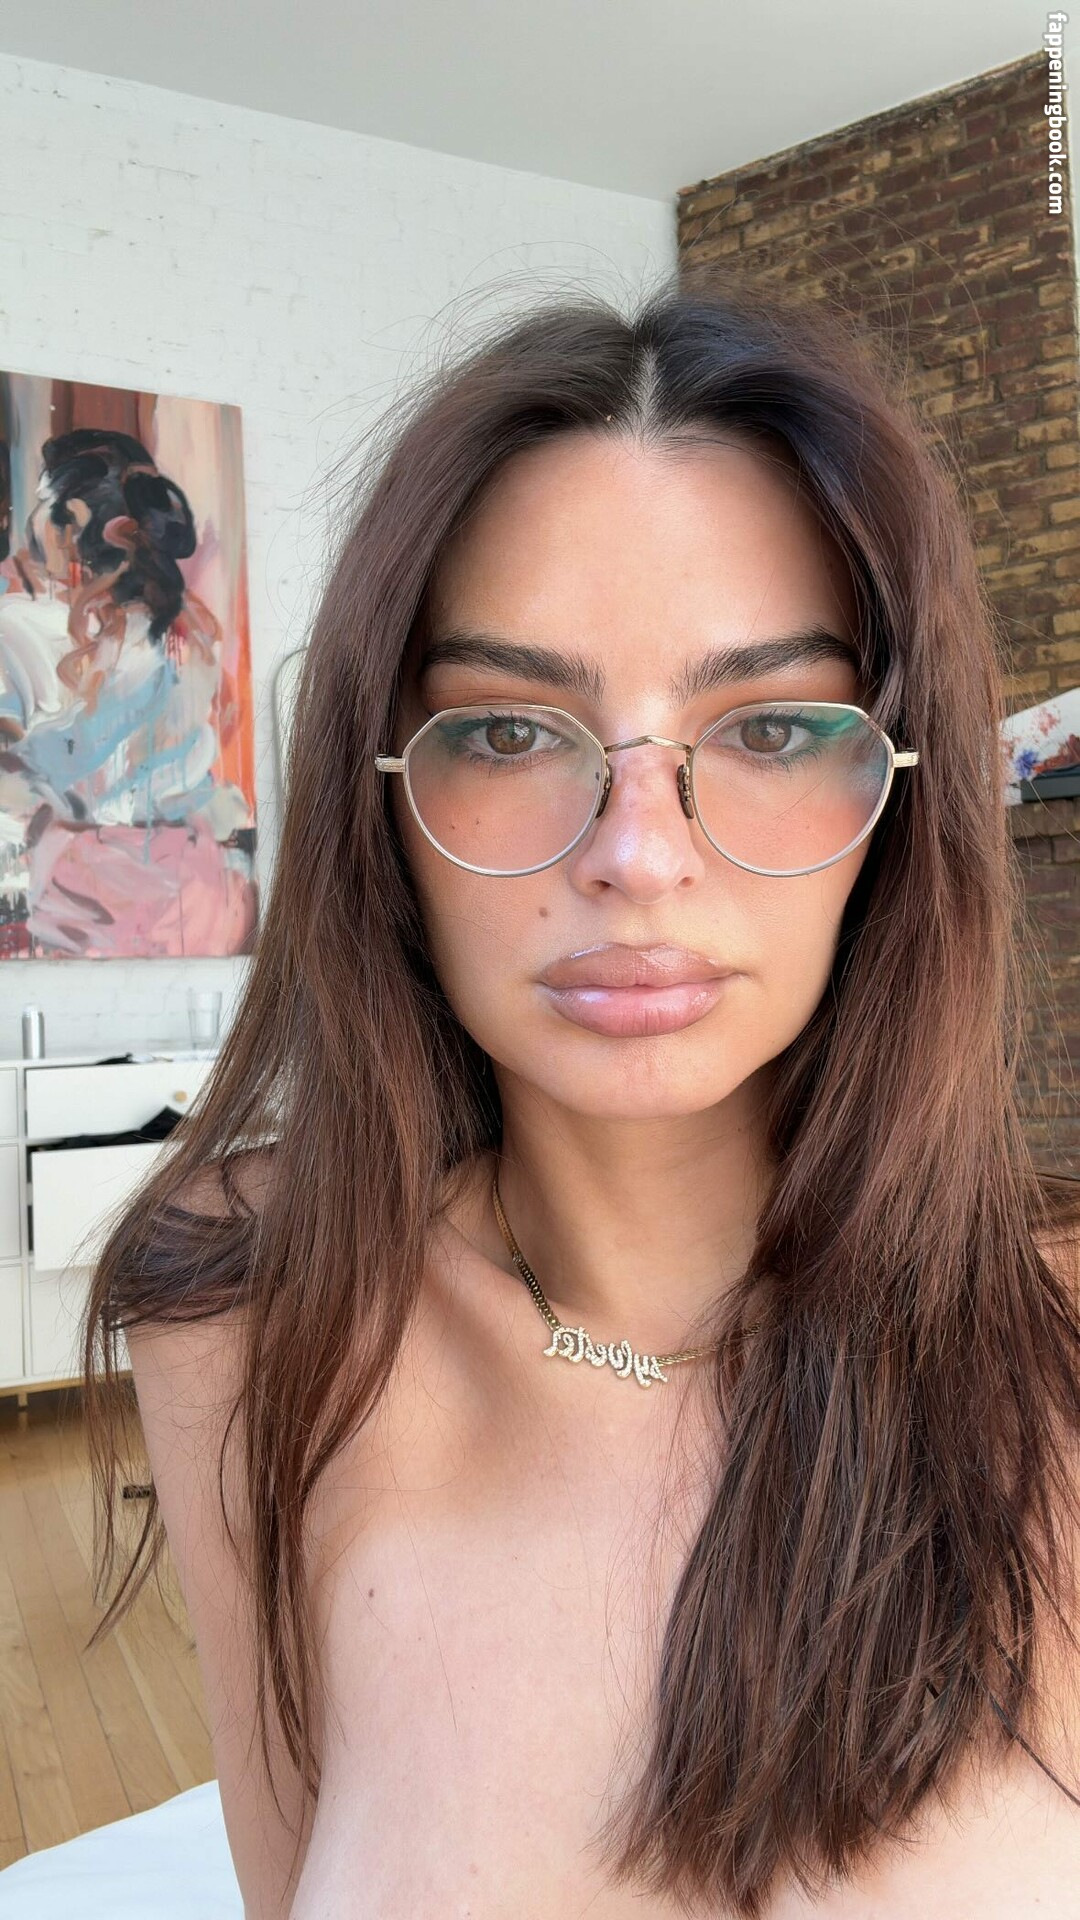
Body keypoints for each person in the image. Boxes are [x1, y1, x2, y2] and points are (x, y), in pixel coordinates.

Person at [82, 270, 1080, 1919]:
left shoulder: (1050, 1332)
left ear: (898, 797)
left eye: (770, 727)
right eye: (508, 733)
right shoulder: (248, 1307)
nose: (637, 857)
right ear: (384, 797)